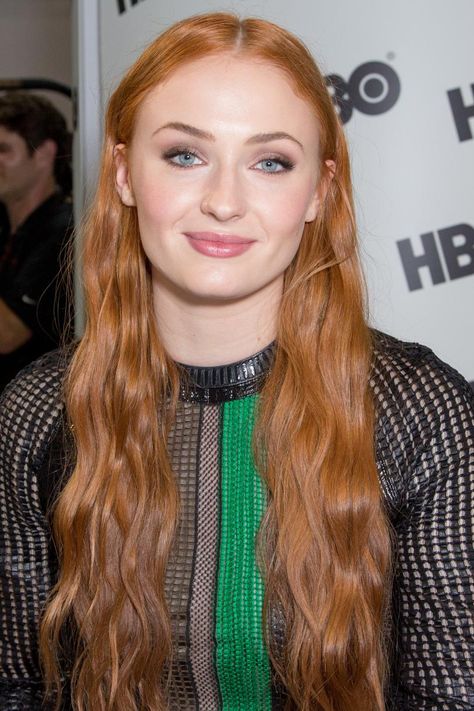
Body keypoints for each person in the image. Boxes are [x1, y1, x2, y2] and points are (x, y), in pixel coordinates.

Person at [0, 13, 472, 711]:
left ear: (319, 191)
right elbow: (17, 686)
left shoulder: (419, 408)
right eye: (185, 155)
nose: (223, 201)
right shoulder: (39, 410)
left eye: (271, 162)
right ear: (125, 174)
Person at [0, 92, 74, 394]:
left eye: (3, 149)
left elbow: (7, 335)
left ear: (44, 154)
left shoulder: (63, 230)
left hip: (32, 417)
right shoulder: (6, 225)